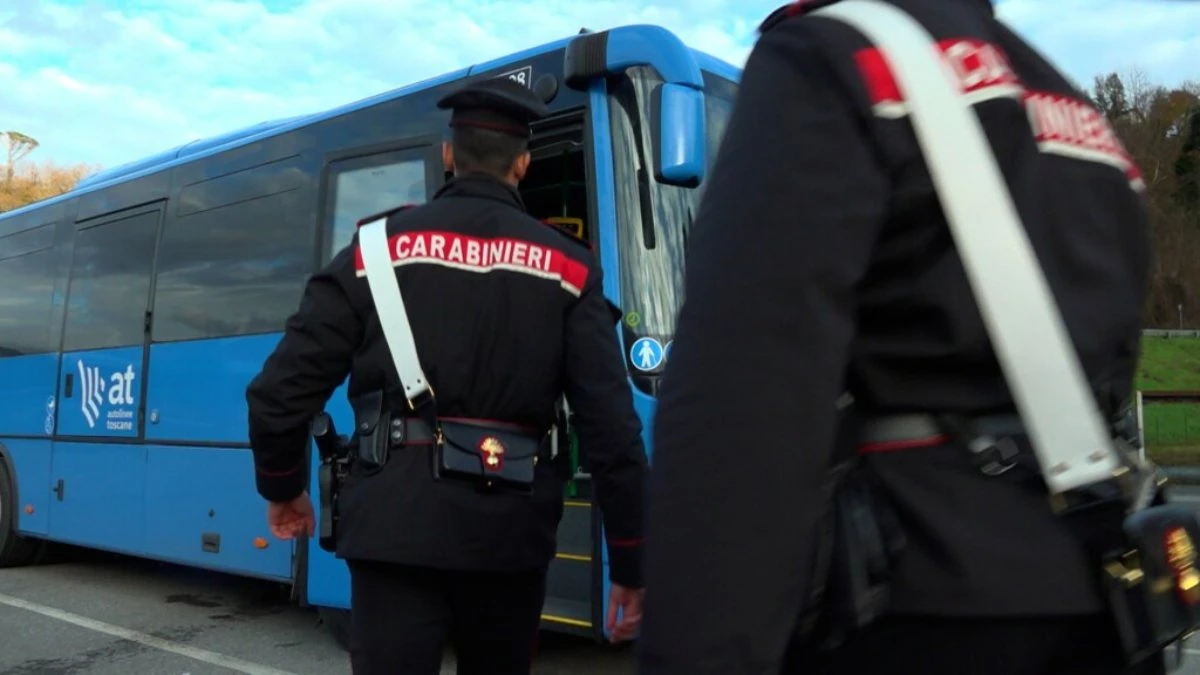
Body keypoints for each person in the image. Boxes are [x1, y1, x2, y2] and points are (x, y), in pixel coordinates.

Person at [636, 1, 1157, 674]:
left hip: (911, 599)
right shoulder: (1075, 108)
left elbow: (742, 407)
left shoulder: (827, 56)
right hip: (1097, 591)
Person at [245, 76, 648, 675]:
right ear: (523, 165)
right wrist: (632, 565)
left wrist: (283, 488)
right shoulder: (570, 268)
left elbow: (279, 392)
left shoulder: (374, 251)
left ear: (449, 155)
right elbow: (614, 434)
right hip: (511, 539)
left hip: (394, 527)